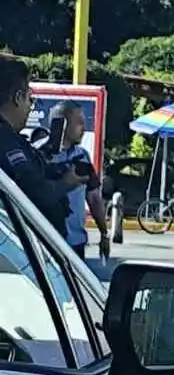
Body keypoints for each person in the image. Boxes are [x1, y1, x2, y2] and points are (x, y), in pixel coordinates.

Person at [0, 60, 83, 238]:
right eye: (30, 99)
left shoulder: (12, 140)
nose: (31, 107)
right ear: (17, 98)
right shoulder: (7, 143)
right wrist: (66, 183)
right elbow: (36, 195)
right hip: (23, 249)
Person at [48, 101, 109, 260]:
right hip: (46, 241)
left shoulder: (82, 157)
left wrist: (104, 234)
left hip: (76, 244)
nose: (83, 128)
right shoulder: (40, 155)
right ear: (62, 123)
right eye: (79, 122)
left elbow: (94, 198)